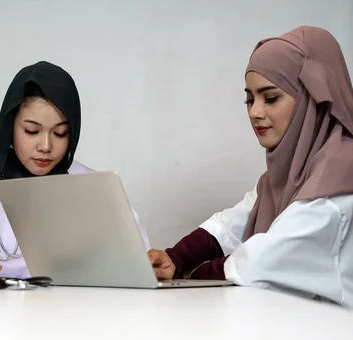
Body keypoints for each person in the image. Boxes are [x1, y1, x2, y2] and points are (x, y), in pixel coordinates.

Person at [148, 26, 353, 307]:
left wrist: (188, 274)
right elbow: (232, 224)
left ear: (312, 99)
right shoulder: (287, 174)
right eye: (250, 99)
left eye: (270, 98)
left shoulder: (340, 177)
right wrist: (175, 257)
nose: (255, 112)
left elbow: (261, 260)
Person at [0, 61, 151, 278]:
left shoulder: (96, 187)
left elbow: (138, 265)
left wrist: (151, 265)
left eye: (60, 133)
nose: (46, 146)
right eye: (31, 131)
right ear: (10, 127)